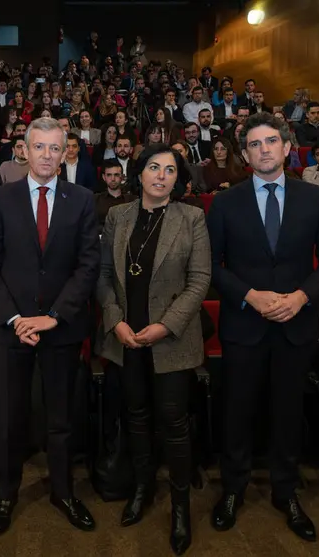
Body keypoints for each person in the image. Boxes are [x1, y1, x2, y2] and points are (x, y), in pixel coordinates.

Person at [205, 112, 319, 542]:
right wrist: (250, 296)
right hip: (244, 322)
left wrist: (302, 296)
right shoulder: (226, 202)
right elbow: (210, 265)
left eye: (271, 142)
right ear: (245, 154)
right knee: (238, 410)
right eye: (254, 144)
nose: (263, 149)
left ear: (288, 148)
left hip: (296, 323)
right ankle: (233, 487)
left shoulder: (314, 198)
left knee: (287, 411)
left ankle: (286, 491)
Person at [0, 117, 101, 536]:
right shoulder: (1, 198)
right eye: (39, 147)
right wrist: (15, 318)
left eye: (55, 148)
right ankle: (6, 494)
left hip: (61, 328)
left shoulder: (82, 198)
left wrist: (54, 316)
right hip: (10, 329)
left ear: (66, 152)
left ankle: (63, 491)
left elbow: (87, 266)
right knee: (10, 418)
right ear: (24, 151)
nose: (47, 155)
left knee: (61, 418)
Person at [96, 144, 210, 555]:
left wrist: (164, 326)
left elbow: (199, 281)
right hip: (126, 339)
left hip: (172, 339)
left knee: (175, 423)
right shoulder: (117, 215)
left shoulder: (192, 217)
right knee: (136, 416)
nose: (161, 175)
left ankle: (180, 507)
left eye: (170, 170)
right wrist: (116, 320)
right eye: (153, 168)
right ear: (139, 173)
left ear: (178, 179)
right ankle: (143, 488)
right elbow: (104, 276)